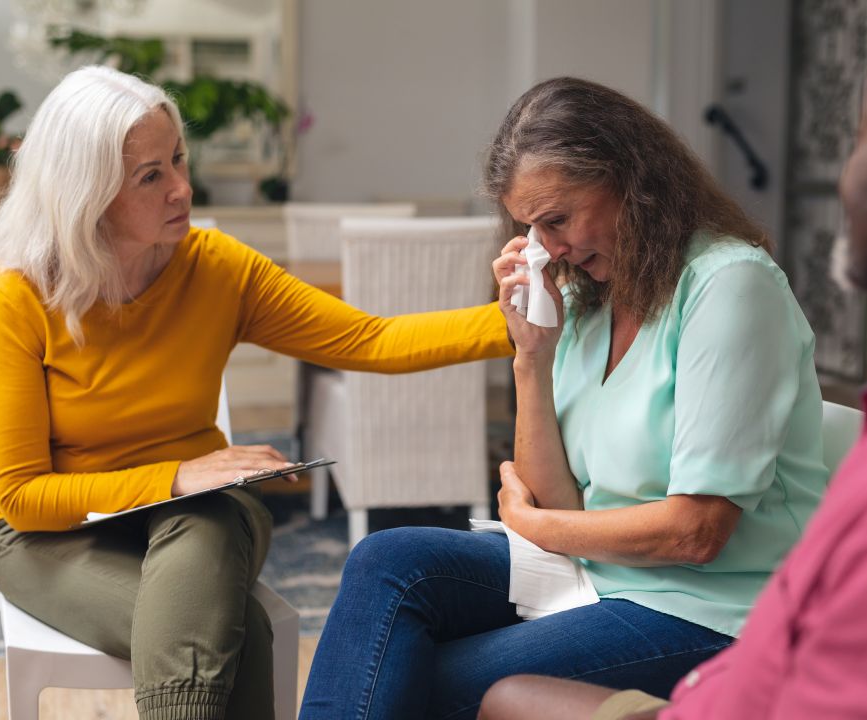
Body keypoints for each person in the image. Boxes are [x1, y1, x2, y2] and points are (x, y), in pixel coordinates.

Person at [478, 2, 867, 718]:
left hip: (699, 631)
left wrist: (541, 527)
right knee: (406, 583)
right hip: (657, 627)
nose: (843, 170)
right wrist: (530, 359)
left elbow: (842, 675)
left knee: (495, 693)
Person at [0, 65, 512, 720]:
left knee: (206, 514)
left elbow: (370, 340)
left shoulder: (217, 268)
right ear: (88, 192)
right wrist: (175, 475)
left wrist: (518, 321)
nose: (182, 188)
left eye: (178, 159)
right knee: (235, 629)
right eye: (151, 175)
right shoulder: (21, 294)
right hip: (50, 537)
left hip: (204, 516)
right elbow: (23, 499)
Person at [299, 77, 829, 720]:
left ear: (633, 182)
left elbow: (696, 533)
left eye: (558, 219)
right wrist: (532, 355)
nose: (548, 248)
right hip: (598, 575)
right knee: (386, 561)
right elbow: (560, 500)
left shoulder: (729, 286)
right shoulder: (587, 295)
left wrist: (538, 527)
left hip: (718, 610)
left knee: (417, 680)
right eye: (531, 228)